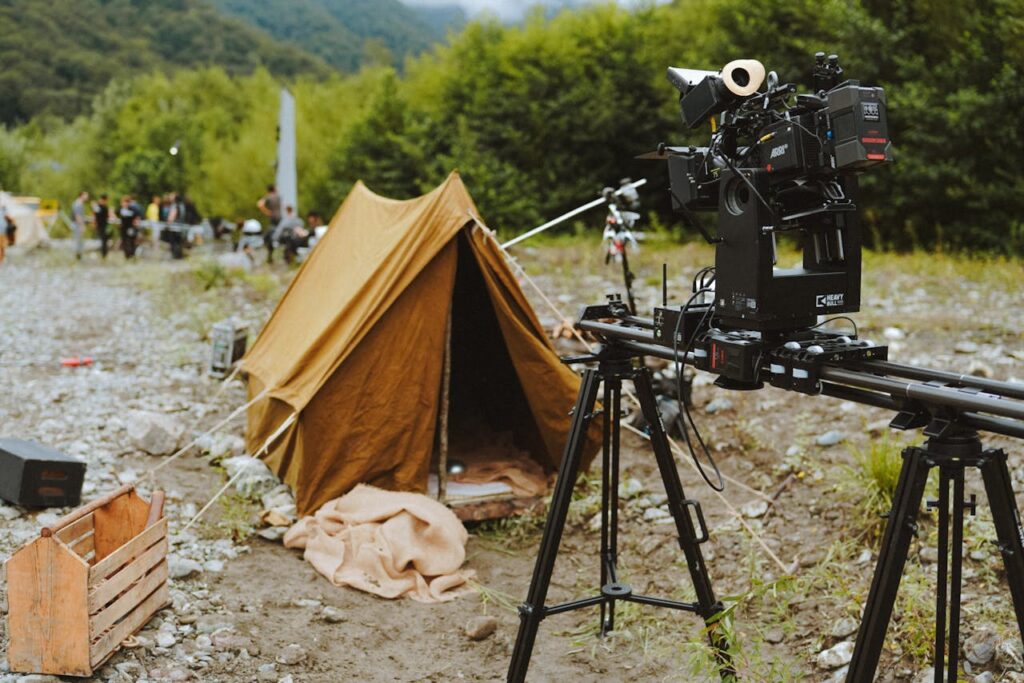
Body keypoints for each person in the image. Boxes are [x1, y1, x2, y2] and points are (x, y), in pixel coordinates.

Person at [257, 184, 281, 264]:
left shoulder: (269, 197)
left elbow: (259, 204)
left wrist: (267, 212)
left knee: (269, 238)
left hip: (273, 220)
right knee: (274, 237)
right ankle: (271, 257)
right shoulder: (277, 196)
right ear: (274, 189)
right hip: (278, 219)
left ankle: (270, 256)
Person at [116, 195, 141, 260]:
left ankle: (132, 255)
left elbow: (137, 217)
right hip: (123, 228)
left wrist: (136, 223)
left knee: (131, 241)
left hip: (131, 228)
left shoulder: (133, 209)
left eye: (126, 202)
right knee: (125, 242)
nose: (125, 203)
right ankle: (127, 256)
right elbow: (116, 215)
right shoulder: (120, 209)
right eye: (124, 202)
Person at [71, 191, 89, 260]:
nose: (87, 197)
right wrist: (82, 225)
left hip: (77, 224)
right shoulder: (78, 204)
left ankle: (78, 256)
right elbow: (77, 216)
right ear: (81, 195)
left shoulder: (79, 203)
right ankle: (77, 257)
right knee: (78, 241)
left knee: (79, 241)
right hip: (77, 225)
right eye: (86, 195)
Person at [93, 194, 111, 259]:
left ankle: (104, 254)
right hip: (102, 226)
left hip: (103, 225)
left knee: (104, 240)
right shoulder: (100, 206)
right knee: (103, 240)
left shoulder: (101, 206)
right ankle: (103, 254)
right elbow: (95, 215)